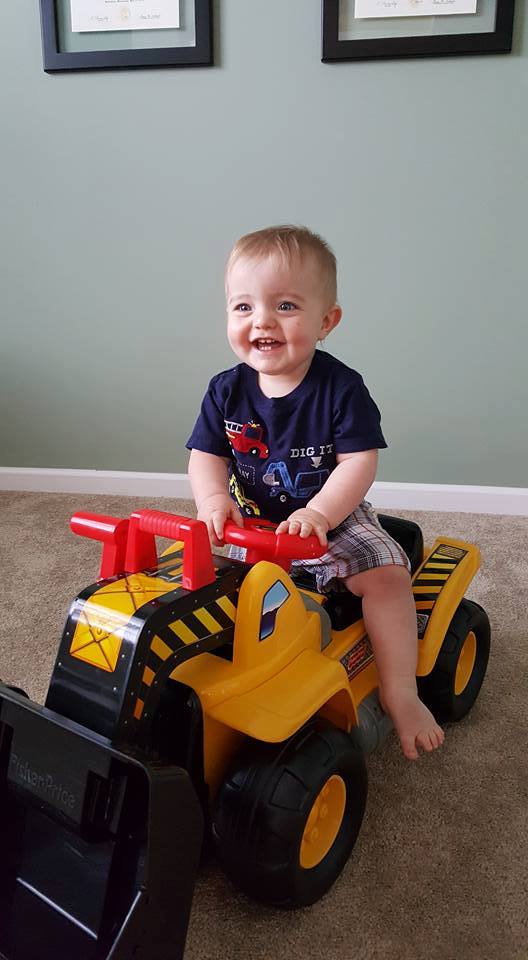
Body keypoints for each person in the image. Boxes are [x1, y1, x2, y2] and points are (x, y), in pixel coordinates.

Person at [187, 225, 444, 760]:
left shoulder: (340, 387)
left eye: (284, 305)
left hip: (332, 518)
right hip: (251, 522)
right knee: (196, 581)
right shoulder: (225, 389)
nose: (261, 320)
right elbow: (206, 457)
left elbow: (359, 463)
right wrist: (214, 501)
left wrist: (321, 512)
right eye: (242, 307)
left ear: (326, 322)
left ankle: (402, 692)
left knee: (388, 577)